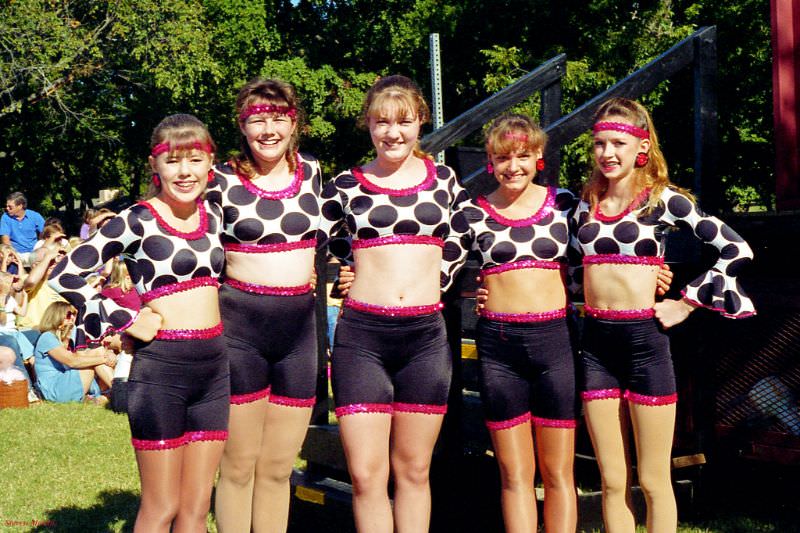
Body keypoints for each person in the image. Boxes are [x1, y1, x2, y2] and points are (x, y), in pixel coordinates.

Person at [571, 97, 755, 533]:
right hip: (596, 347)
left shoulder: (664, 201)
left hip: (645, 346)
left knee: (655, 480)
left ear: (642, 147)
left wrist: (684, 302)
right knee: (613, 480)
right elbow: (571, 270)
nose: (607, 153)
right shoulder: (584, 204)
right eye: (599, 144)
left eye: (618, 142)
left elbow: (736, 248)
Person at [49, 114, 227, 533]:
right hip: (162, 369)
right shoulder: (137, 219)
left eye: (195, 159)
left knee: (196, 508)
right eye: (172, 161)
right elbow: (66, 274)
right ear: (155, 166)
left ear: (210, 163)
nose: (184, 172)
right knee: (161, 506)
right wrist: (126, 318)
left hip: (215, 371)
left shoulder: (215, 216)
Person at [319, 75, 469, 533]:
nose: (393, 132)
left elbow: (463, 236)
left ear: (421, 121)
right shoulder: (345, 184)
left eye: (404, 121)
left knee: (414, 472)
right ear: (368, 125)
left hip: (424, 339)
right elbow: (323, 239)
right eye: (382, 122)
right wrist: (347, 270)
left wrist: (435, 280)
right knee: (366, 476)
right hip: (362, 340)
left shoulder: (444, 181)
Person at [442, 114, 579, 533]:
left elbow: (606, 245)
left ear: (539, 155)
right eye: (502, 158)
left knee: (557, 473)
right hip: (499, 349)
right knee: (514, 473)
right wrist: (356, 269)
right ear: (490, 162)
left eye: (522, 155)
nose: (512, 166)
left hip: (554, 343)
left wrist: (656, 273)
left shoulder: (565, 204)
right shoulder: (472, 212)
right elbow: (437, 262)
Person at [207, 78, 322, 533]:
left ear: (295, 123)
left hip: (298, 332)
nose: (268, 129)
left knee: (277, 468)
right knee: (237, 466)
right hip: (241, 330)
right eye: (258, 119)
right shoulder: (220, 178)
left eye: (279, 118)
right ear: (242, 125)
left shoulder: (312, 172)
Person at [32, 301, 115, 403]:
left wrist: (106, 353)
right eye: (68, 315)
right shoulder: (47, 337)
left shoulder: (69, 336)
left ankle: (113, 392)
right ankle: (120, 391)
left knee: (98, 352)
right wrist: (104, 358)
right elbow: (72, 361)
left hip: (66, 381)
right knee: (95, 355)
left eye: (74, 314)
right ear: (56, 316)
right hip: (56, 388)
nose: (72, 318)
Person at [0, 191, 46, 268]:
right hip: (15, 253)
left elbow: (46, 233)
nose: (7, 208)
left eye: (10, 207)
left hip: (33, 254)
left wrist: (40, 249)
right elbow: (5, 240)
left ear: (20, 206)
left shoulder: (35, 216)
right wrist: (14, 255)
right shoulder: (5, 217)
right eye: (6, 206)